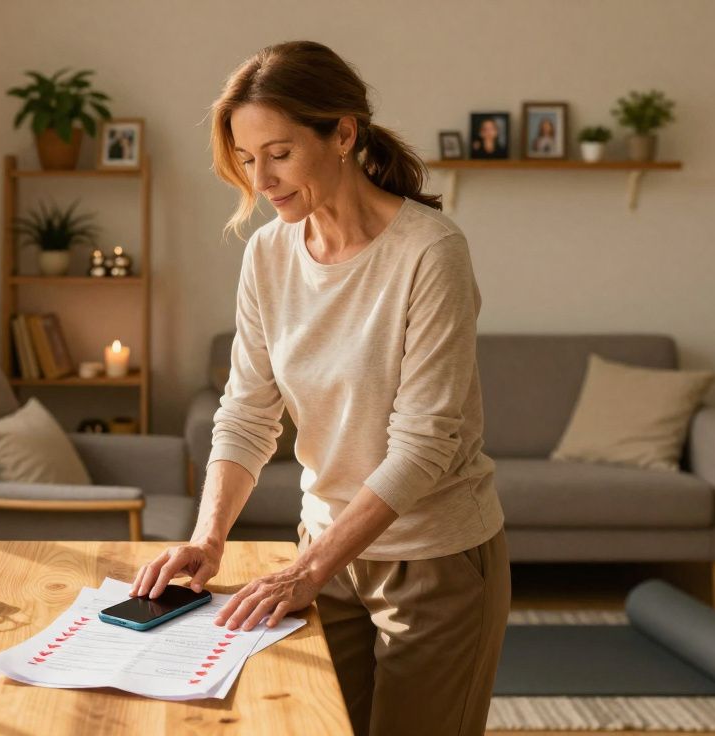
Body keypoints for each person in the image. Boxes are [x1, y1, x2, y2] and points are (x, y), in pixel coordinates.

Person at [131, 40, 509, 736]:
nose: (262, 180)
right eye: (247, 159)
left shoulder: (430, 252)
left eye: (279, 153)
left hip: (433, 564)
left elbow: (425, 445)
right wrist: (208, 540)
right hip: (324, 554)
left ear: (342, 134)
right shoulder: (268, 254)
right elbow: (247, 414)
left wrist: (308, 569)